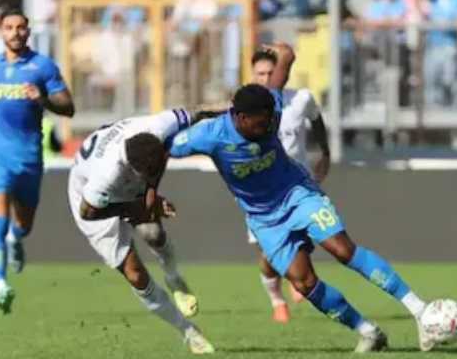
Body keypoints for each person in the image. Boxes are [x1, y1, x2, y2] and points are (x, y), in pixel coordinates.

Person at [168, 43, 441, 352]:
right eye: (262, 123)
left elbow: (285, 57)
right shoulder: (208, 135)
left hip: (298, 193)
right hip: (263, 219)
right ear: (242, 118)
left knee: (342, 248)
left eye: (272, 119)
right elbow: (162, 145)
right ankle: (367, 331)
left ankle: (420, 310)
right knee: (303, 282)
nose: (271, 126)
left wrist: (282, 50)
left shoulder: (270, 105)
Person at [0, 8, 75, 314]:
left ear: (28, 32)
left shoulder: (43, 67)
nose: (15, 33)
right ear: (1, 32)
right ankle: (0, 285)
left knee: (23, 225)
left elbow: (68, 107)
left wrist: (42, 99)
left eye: (20, 27)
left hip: (30, 158)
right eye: (9, 28)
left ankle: (15, 240)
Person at [67, 109, 214, 354]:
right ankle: (188, 331)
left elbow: (198, 114)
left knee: (154, 235)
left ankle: (174, 278)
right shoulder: (106, 175)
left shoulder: (158, 126)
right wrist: (137, 207)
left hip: (127, 183)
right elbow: (88, 212)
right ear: (134, 170)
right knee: (136, 275)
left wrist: (230, 113)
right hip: (89, 201)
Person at [248, 48, 331, 324]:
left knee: (305, 238)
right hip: (261, 191)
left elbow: (317, 121)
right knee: (268, 254)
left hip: (297, 185)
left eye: (271, 72)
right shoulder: (245, 105)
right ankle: (277, 299)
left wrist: (325, 153)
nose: (266, 78)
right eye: (260, 73)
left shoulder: (301, 99)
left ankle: (300, 280)